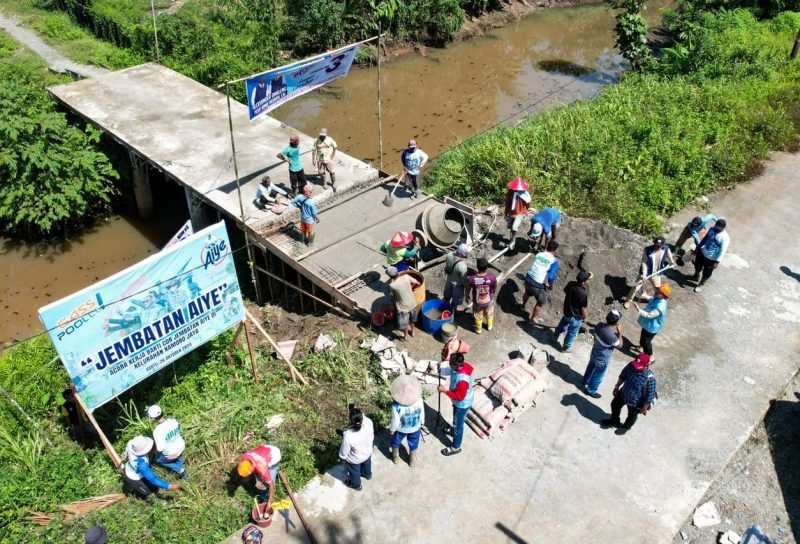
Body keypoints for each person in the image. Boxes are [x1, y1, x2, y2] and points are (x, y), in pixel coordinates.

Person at [601, 353, 657, 434]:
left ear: (646, 366)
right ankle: (614, 420)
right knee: (614, 405)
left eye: (639, 366)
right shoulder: (631, 365)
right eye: (636, 364)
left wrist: (644, 408)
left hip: (636, 402)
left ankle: (626, 427)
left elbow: (650, 396)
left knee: (632, 415)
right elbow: (623, 375)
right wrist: (617, 387)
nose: (635, 367)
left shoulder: (650, 379)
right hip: (623, 393)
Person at [624, 236, 676, 308]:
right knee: (636, 287)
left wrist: (672, 262)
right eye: (656, 245)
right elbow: (644, 262)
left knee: (658, 289)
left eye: (660, 246)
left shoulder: (666, 248)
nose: (658, 247)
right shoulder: (648, 250)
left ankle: (656, 301)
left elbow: (669, 254)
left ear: (663, 245)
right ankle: (628, 300)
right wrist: (644, 274)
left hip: (656, 273)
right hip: (646, 272)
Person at [438, 353, 474, 456]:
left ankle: (456, 446)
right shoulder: (460, 367)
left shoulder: (462, 380)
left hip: (462, 404)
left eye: (451, 364)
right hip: (459, 402)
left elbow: (459, 397)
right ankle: (453, 431)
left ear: (457, 366)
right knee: (455, 419)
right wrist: (440, 370)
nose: (449, 366)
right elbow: (451, 371)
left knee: (458, 424)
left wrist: (444, 391)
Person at [582, 310, 624, 399]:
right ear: (616, 322)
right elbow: (620, 345)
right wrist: (620, 333)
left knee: (590, 366)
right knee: (598, 374)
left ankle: (585, 380)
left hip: (594, 351)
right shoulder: (611, 336)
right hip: (603, 357)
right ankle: (591, 390)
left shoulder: (599, 325)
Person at [522, 240, 560, 324]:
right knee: (541, 301)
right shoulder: (554, 261)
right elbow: (551, 276)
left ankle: (523, 306)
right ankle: (533, 318)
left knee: (527, 293)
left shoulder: (539, 254)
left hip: (528, 278)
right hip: (538, 284)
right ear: (556, 250)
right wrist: (550, 285)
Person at [389, 374, 424, 467]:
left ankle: (395, 458)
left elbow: (395, 421)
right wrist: (422, 422)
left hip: (401, 429)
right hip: (415, 427)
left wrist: (392, 429)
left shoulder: (396, 405)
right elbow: (422, 413)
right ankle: (412, 460)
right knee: (414, 443)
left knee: (396, 442)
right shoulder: (419, 400)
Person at [553, 270, 592, 352]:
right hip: (576, 317)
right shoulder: (583, 293)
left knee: (563, 323)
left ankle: (555, 335)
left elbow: (565, 291)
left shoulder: (571, 284)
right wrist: (585, 317)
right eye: (588, 279)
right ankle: (565, 347)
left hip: (567, 311)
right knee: (572, 332)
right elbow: (583, 308)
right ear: (584, 282)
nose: (589, 280)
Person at [146, 404, 187, 478]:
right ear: (162, 412)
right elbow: (179, 429)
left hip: (172, 453)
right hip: (182, 446)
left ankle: (179, 469)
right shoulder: (173, 420)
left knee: (158, 459)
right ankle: (184, 473)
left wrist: (156, 452)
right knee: (177, 453)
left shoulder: (157, 431)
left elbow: (160, 449)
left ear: (153, 419)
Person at [339, 408, 374, 490]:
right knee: (367, 464)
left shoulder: (348, 435)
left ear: (351, 421)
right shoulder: (369, 423)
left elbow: (344, 451)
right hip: (367, 453)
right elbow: (363, 417)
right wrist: (355, 413)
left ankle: (356, 485)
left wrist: (342, 457)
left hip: (355, 459)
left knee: (354, 472)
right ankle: (367, 475)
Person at [238, 444, 282, 508]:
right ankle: (263, 496)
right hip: (265, 449)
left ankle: (265, 498)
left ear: (251, 470)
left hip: (274, 456)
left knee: (268, 481)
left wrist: (269, 502)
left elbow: (271, 485)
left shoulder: (261, 469)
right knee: (261, 479)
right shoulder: (245, 456)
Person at [692, 218, 730, 293]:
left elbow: (723, 251)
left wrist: (717, 262)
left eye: (719, 228)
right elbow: (705, 239)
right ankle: (696, 276)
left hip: (712, 258)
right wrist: (698, 247)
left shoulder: (725, 238)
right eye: (716, 227)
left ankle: (701, 284)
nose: (717, 229)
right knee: (697, 264)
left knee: (707, 272)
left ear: (723, 228)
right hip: (703, 252)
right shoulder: (712, 229)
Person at [633, 283, 670, 359]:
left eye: (659, 292)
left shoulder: (660, 306)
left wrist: (639, 310)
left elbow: (649, 315)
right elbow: (651, 299)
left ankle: (650, 357)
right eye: (657, 290)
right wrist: (645, 295)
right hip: (648, 325)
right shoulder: (658, 298)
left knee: (646, 341)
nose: (656, 292)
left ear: (663, 295)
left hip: (652, 327)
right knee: (643, 336)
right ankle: (641, 347)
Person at [386, 266, 420, 341]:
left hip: (402, 308)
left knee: (405, 324)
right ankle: (413, 332)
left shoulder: (392, 285)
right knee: (412, 319)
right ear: (397, 272)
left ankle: (406, 336)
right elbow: (418, 282)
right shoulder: (406, 276)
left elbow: (394, 297)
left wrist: (395, 306)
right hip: (412, 303)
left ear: (390, 276)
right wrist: (411, 288)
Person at [467, 257, 498, 334]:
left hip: (477, 303)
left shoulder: (472, 279)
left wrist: (466, 295)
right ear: (486, 267)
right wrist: (493, 292)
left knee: (478, 315)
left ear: (477, 266)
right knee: (489, 313)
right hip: (489, 301)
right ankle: (489, 326)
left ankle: (478, 329)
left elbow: (468, 288)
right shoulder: (492, 277)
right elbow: (495, 286)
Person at [503, 177, 531, 251]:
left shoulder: (525, 194)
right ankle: (511, 239)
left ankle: (513, 241)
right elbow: (507, 203)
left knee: (514, 227)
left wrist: (524, 213)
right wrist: (506, 213)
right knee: (510, 227)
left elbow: (528, 204)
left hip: (520, 213)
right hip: (512, 212)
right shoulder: (510, 192)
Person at [443, 243, 471, 312]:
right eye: (466, 253)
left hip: (449, 280)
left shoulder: (449, 255)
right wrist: (467, 286)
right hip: (457, 286)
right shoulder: (462, 266)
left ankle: (444, 308)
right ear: (462, 254)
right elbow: (464, 281)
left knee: (446, 298)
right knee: (455, 302)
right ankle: (452, 311)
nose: (467, 254)